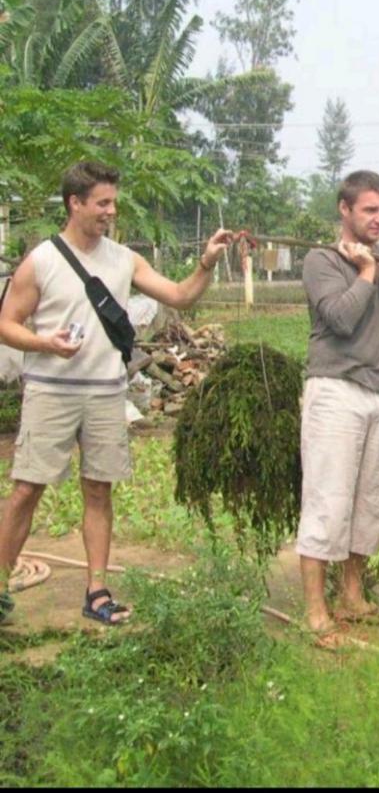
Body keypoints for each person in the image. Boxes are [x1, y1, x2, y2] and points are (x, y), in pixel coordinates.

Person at [0, 160, 234, 627]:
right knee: (27, 489)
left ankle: (98, 590)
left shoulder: (124, 259)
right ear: (75, 203)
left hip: (106, 393)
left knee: (99, 489)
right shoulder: (42, 260)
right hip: (52, 390)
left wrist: (206, 262)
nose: (111, 211)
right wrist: (45, 344)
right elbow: (6, 324)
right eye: (102, 202)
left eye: (113, 202)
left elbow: (180, 295)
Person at [296, 169, 379, 648]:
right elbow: (339, 318)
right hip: (336, 390)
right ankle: (316, 611)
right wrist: (368, 273)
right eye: (370, 210)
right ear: (345, 210)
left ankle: (352, 593)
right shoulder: (322, 260)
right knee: (328, 500)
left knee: (370, 503)